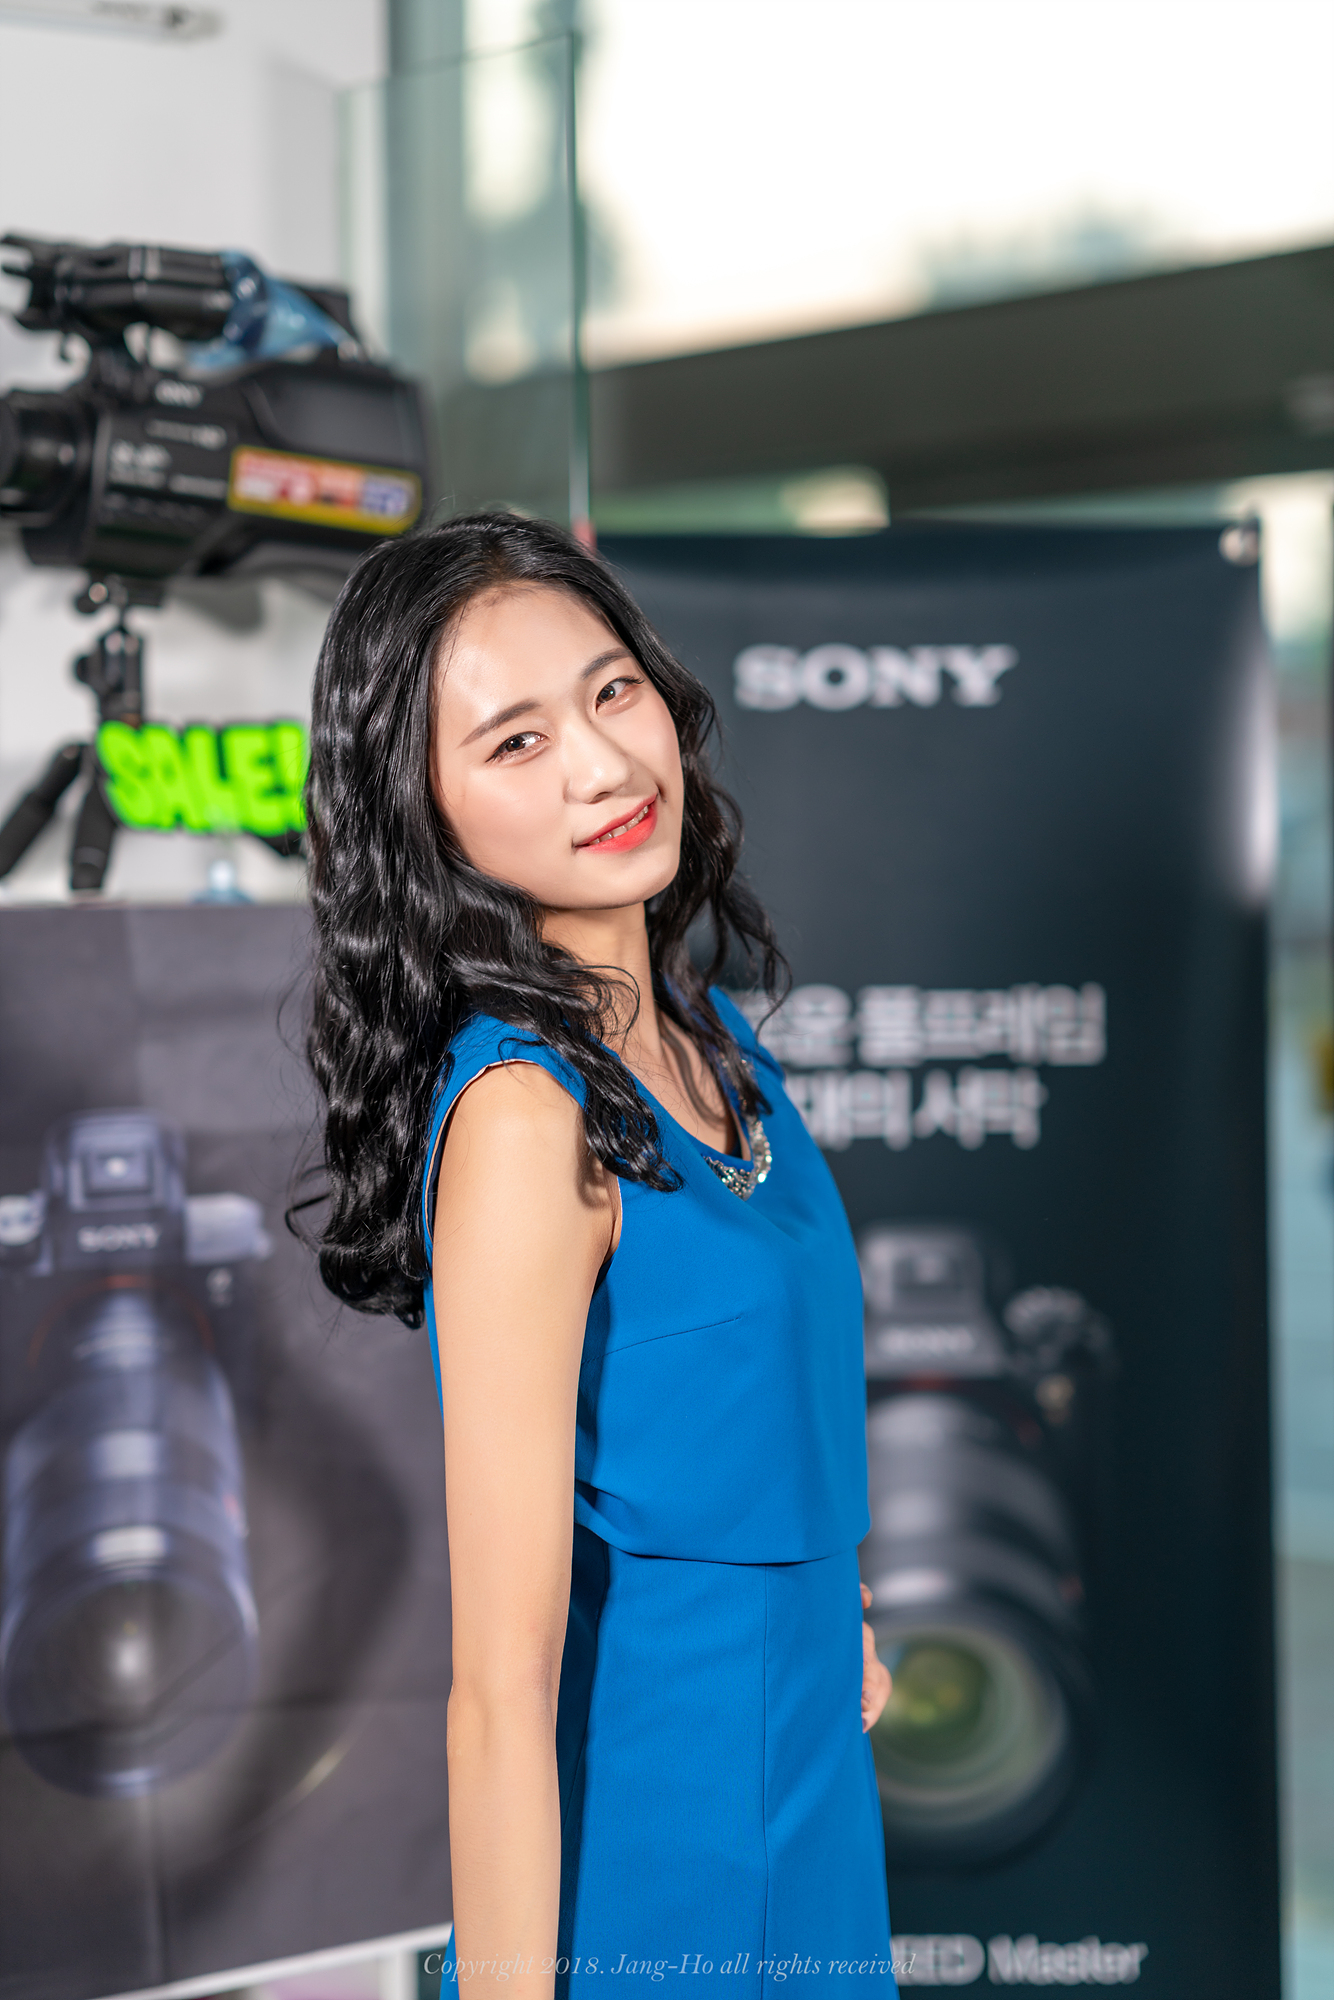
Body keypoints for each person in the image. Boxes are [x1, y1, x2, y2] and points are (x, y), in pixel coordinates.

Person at [301, 513, 897, 2000]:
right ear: (422, 816)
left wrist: (833, 1607)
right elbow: (497, 1692)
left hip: (809, 1796)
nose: (603, 764)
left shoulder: (712, 1032)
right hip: (660, 1846)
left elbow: (743, 1406)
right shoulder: (525, 1113)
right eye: (515, 741)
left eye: (612, 691)